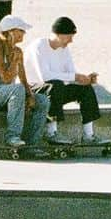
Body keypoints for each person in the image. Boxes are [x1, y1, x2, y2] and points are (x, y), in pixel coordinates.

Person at [0, 14, 49, 148]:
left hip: (7, 95)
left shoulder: (18, 51)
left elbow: (23, 79)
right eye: (21, 30)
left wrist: (30, 96)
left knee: (43, 101)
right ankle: (12, 136)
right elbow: (7, 79)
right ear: (11, 32)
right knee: (17, 89)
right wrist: (14, 61)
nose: (24, 33)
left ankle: (32, 143)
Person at [22, 16, 101, 144]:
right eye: (69, 36)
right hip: (33, 91)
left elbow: (70, 75)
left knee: (85, 89)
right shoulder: (39, 46)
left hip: (54, 91)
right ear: (58, 34)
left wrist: (85, 79)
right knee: (56, 84)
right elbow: (45, 76)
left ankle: (88, 135)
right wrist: (74, 77)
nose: (71, 41)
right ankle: (51, 133)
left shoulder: (64, 50)